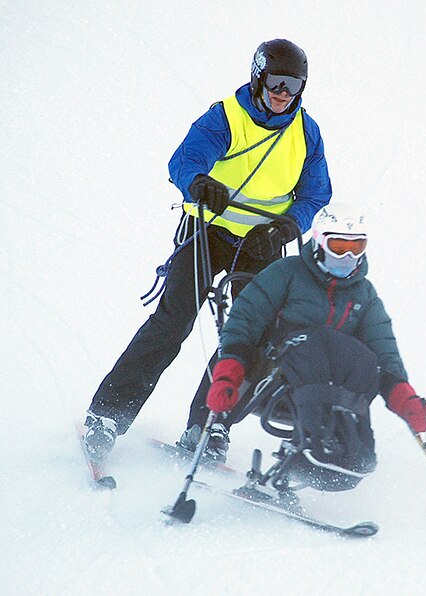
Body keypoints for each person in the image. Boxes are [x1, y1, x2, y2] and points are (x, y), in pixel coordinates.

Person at [82, 39, 332, 463]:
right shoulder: (225, 117)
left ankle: (210, 424)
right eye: (276, 81)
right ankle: (106, 416)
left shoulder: (306, 132)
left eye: (294, 84)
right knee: (172, 323)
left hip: (260, 244)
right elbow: (185, 160)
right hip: (208, 231)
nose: (283, 93)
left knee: (246, 338)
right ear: (258, 77)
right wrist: (199, 182)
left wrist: (288, 224)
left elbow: (315, 193)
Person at [190, 202, 426, 487]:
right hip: (274, 374)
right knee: (315, 343)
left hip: (327, 390)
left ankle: (344, 457)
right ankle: (207, 427)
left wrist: (403, 397)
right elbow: (246, 319)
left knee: (363, 359)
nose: (347, 256)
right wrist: (229, 371)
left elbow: (383, 350)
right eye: (338, 246)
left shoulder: (364, 295)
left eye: (356, 247)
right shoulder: (287, 273)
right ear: (319, 243)